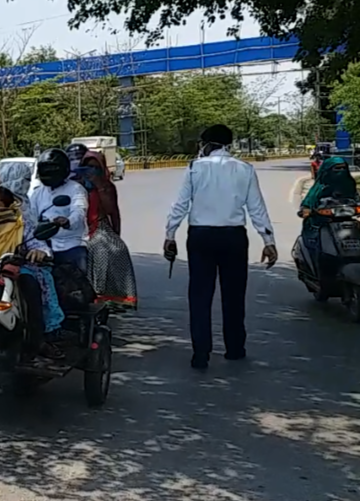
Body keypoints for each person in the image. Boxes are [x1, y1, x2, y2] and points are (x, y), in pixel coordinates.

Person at [164, 124, 277, 370]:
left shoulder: (194, 168)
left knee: (200, 296)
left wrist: (170, 234)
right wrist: (269, 241)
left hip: (201, 236)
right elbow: (257, 208)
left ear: (207, 144)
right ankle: (235, 348)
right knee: (234, 295)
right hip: (234, 237)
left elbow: (180, 205)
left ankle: (201, 354)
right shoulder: (245, 169)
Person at [0, 187, 65, 357]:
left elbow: (39, 244)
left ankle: (37, 340)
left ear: (8, 206)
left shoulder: (21, 223)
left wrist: (39, 252)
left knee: (30, 285)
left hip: (10, 269)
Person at [79, 151, 138, 310]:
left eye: (95, 167)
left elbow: (112, 211)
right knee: (98, 248)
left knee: (116, 249)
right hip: (78, 226)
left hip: (99, 224)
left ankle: (112, 296)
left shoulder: (107, 186)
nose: (90, 170)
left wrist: (99, 187)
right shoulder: (76, 185)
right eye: (87, 167)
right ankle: (94, 293)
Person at [27, 149, 90, 274]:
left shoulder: (76, 189)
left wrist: (67, 222)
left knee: (77, 284)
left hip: (72, 245)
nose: (48, 172)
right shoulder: (38, 192)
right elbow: (31, 220)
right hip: (45, 247)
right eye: (45, 168)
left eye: (52, 168)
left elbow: (79, 211)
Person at [300, 155, 357, 260]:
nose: (341, 171)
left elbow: (356, 197)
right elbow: (309, 200)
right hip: (323, 220)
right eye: (337, 168)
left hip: (347, 217)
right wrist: (307, 209)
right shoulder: (321, 186)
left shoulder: (349, 183)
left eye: (343, 168)